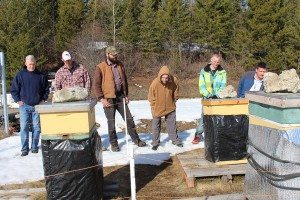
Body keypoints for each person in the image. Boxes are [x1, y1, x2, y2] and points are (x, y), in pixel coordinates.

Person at [93, 46, 146, 152]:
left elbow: (124, 80)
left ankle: (136, 140)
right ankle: (114, 144)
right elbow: (96, 84)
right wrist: (102, 99)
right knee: (111, 123)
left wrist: (126, 95)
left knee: (129, 119)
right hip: (108, 98)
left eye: (116, 54)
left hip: (120, 96)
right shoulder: (100, 67)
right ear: (107, 54)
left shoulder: (120, 65)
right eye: (113, 54)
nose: (115, 56)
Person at [11, 55, 49, 156]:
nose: (32, 66)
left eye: (33, 64)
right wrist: (18, 100)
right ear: (26, 64)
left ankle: (34, 147)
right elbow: (14, 90)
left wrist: (43, 99)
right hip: (24, 106)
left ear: (35, 63)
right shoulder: (20, 75)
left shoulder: (41, 75)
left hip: (37, 105)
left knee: (36, 128)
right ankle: (24, 149)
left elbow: (46, 89)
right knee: (24, 128)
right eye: (30, 64)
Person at [192, 53, 227, 144]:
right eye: (214, 61)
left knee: (218, 117)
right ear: (211, 60)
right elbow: (201, 86)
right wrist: (208, 94)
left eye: (218, 62)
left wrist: (218, 95)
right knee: (204, 117)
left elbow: (223, 85)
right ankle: (198, 135)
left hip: (218, 99)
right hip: (207, 98)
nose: (216, 63)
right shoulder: (204, 71)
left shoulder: (222, 72)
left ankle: (216, 135)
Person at [148, 66, 182, 150]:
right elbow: (150, 96)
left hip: (170, 106)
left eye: (166, 78)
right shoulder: (155, 83)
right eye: (163, 77)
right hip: (157, 107)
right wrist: (153, 106)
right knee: (156, 125)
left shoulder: (174, 80)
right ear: (160, 76)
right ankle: (155, 142)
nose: (165, 79)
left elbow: (176, 90)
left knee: (172, 124)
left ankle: (175, 140)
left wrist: (175, 98)